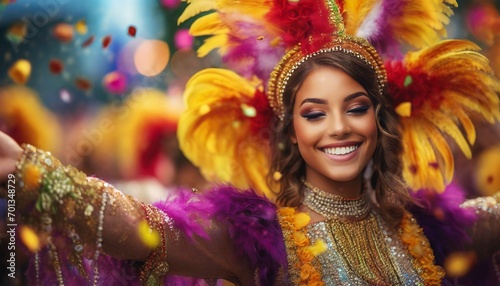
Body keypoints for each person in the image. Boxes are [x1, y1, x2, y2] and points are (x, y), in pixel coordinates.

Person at [1, 0, 500, 285]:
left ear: (380, 119)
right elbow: (138, 227)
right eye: (314, 113)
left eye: (356, 107)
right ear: (290, 133)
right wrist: (27, 170)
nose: (339, 128)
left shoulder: (433, 229)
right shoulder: (262, 239)